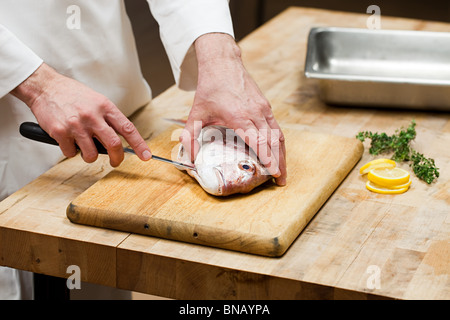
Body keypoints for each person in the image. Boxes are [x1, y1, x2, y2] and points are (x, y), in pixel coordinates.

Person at [0, 0, 286, 299]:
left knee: (104, 275)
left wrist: (221, 56)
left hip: (113, 85)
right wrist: (36, 84)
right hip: (13, 114)